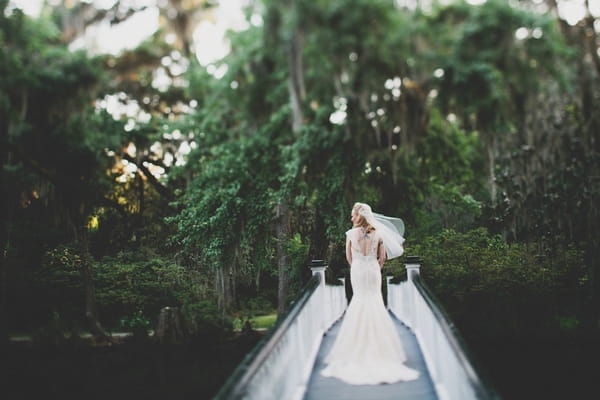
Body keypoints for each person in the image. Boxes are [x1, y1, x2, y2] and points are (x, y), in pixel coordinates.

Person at [320, 202, 419, 385]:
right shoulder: (378, 234)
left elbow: (349, 257)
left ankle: (355, 349)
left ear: (359, 216)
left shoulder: (350, 234)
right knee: (375, 301)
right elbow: (382, 258)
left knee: (359, 300)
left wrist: (358, 265)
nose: (351, 217)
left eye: (353, 215)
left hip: (357, 269)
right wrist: (374, 266)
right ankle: (382, 351)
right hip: (373, 270)